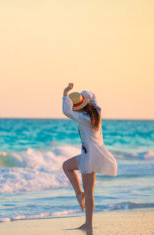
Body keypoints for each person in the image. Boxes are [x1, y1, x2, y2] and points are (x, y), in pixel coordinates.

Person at [62, 83, 117, 230]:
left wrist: (65, 93)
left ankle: (88, 223)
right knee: (66, 166)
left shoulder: (83, 118)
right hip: (91, 154)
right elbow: (93, 98)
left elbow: (66, 111)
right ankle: (79, 194)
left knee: (90, 192)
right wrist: (83, 96)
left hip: (88, 156)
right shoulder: (96, 112)